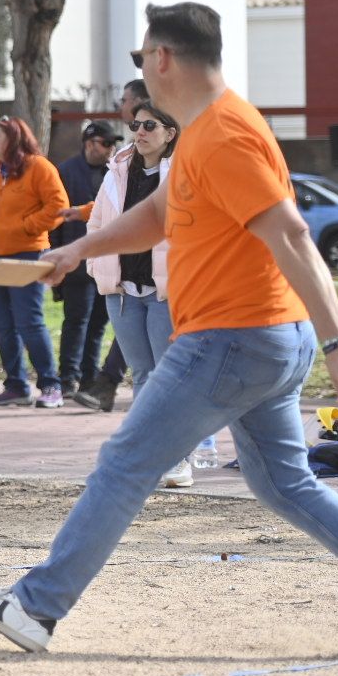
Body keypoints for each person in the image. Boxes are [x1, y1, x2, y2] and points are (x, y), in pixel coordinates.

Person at [0, 1, 338, 654]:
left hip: (232, 337)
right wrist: (77, 251)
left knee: (125, 462)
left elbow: (290, 233)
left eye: (143, 56)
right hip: (260, 339)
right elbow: (157, 214)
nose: (142, 66)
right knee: (286, 483)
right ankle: (36, 604)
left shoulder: (226, 133)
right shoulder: (199, 132)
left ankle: (34, 607)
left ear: (162, 59)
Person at [85, 100, 218, 490]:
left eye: (149, 125)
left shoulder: (183, 173)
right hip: (122, 291)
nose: (139, 132)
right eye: (135, 125)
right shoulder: (117, 169)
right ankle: (149, 460)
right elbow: (97, 221)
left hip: (165, 293)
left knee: (169, 378)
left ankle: (178, 461)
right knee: (143, 376)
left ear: (170, 133)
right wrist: (97, 266)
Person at [0, 117, 68, 407]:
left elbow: (58, 207)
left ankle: (51, 387)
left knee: (29, 322)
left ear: (13, 138)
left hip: (27, 255)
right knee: (4, 325)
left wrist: (25, 227)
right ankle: (16, 385)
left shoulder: (39, 167)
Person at [73, 79, 149, 411]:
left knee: (162, 368)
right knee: (146, 369)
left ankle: (186, 447)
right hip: (124, 277)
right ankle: (107, 383)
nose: (122, 106)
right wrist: (90, 259)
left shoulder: (174, 161)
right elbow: (109, 211)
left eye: (126, 100)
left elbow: (151, 210)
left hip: (163, 281)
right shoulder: (121, 162)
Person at [51, 120, 122, 398]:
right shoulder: (66, 172)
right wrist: (56, 258)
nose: (111, 148)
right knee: (76, 321)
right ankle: (68, 377)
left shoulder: (116, 172)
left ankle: (89, 378)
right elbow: (57, 220)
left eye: (112, 143)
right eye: (106, 143)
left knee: (98, 324)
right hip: (77, 265)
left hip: (108, 263)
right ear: (90, 143)